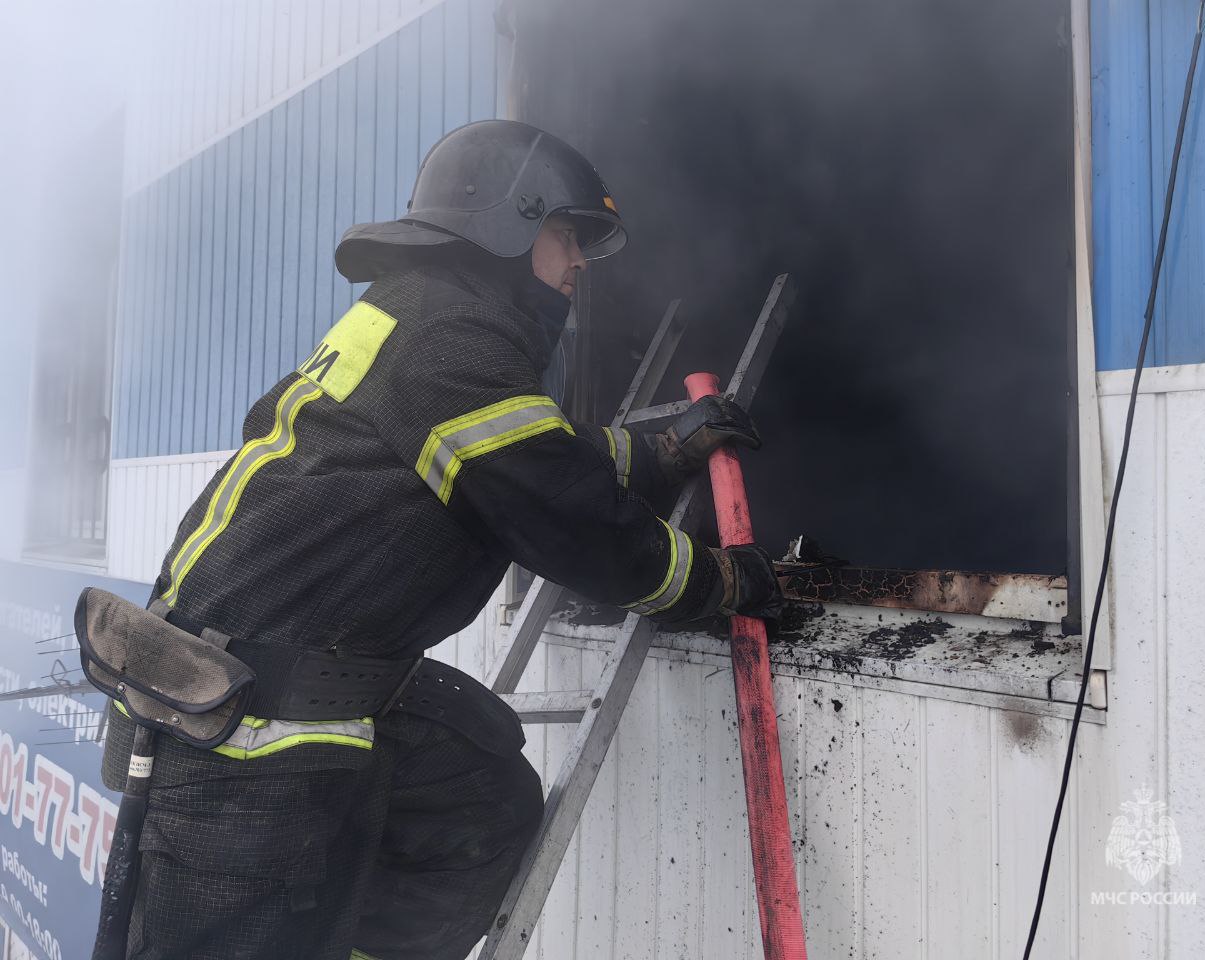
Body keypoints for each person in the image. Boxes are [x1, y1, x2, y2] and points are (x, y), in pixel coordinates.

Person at [99, 119, 781, 960]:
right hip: (242, 742)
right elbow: (569, 521)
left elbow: (539, 458)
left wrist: (665, 451)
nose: (577, 265)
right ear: (510, 223)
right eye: (568, 237)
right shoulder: (451, 339)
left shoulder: (425, 318)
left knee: (480, 800)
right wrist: (717, 581)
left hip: (271, 672)